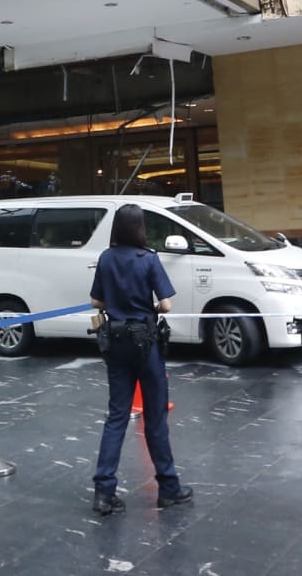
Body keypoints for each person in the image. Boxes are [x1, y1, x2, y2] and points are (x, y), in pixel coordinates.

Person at [89, 203, 192, 515]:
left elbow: (96, 300)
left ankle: (104, 492)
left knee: (117, 416)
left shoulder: (106, 258)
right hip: (145, 343)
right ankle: (169, 488)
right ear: (140, 228)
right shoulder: (148, 258)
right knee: (155, 416)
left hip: (115, 342)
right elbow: (167, 305)